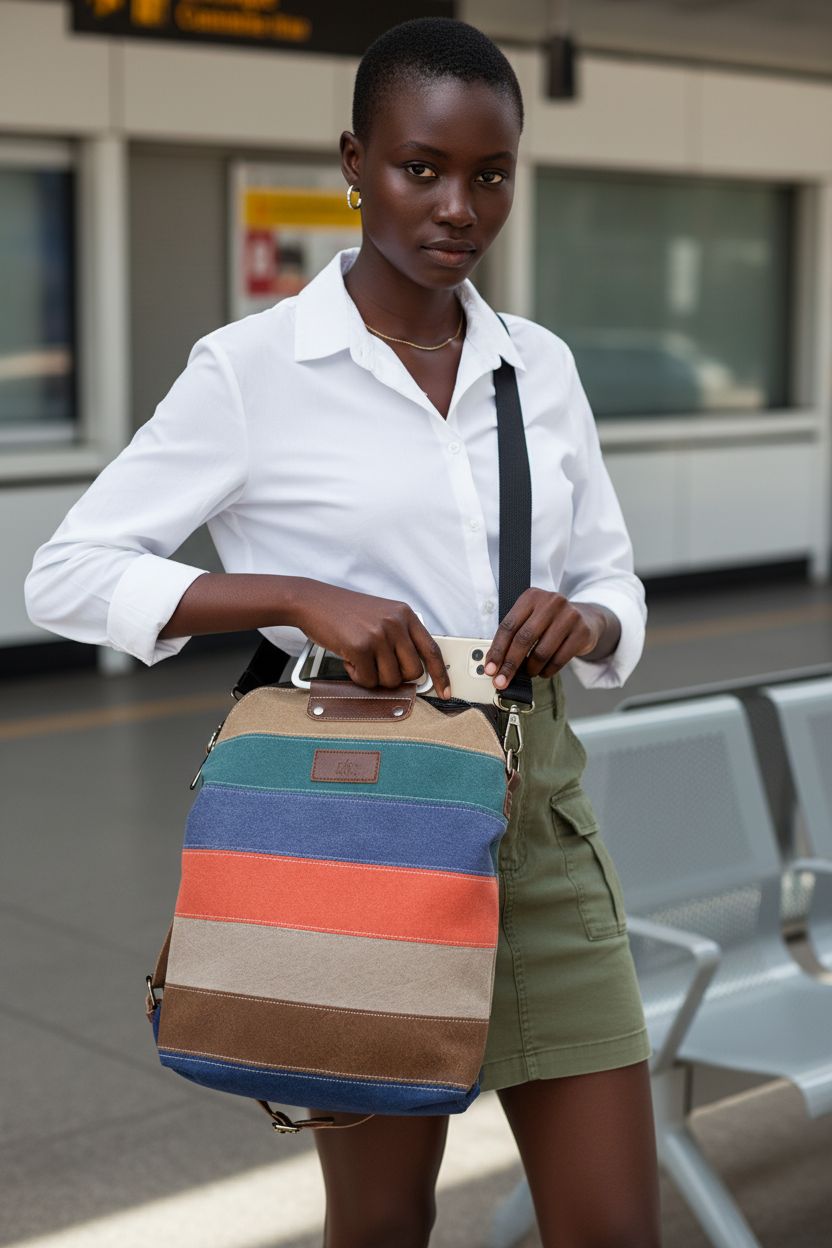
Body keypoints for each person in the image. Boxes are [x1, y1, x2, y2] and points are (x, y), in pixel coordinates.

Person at [24, 16, 662, 1248]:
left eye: (490, 175)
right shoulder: (254, 369)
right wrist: (292, 595)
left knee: (615, 1229)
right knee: (379, 1224)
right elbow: (65, 575)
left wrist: (583, 616)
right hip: (359, 817)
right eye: (422, 168)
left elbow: (614, 582)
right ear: (354, 163)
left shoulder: (537, 368)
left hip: (540, 822)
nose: (458, 208)